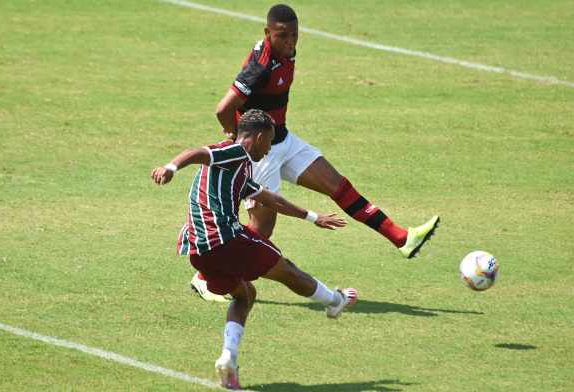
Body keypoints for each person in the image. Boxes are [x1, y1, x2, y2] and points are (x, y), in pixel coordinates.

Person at [191, 3, 439, 301]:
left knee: (338, 185)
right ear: (267, 33)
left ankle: (402, 238)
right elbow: (222, 108)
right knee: (262, 231)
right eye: (282, 36)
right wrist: (235, 136)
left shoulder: (288, 51)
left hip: (283, 141)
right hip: (262, 153)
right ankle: (205, 277)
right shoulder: (259, 67)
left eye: (295, 35)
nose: (290, 42)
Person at [152, 109, 358, 389]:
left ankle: (228, 359)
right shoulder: (234, 152)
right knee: (287, 270)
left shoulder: (241, 168)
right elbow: (197, 152)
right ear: (259, 137)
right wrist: (171, 167)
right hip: (225, 239)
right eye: (269, 142)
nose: (269, 149)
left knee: (244, 295)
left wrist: (313, 217)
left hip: (198, 250)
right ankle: (335, 301)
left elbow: (270, 198)